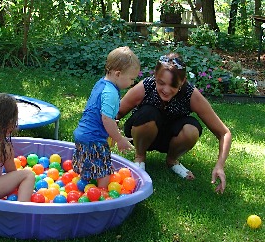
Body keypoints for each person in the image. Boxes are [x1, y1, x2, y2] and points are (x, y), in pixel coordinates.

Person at [116, 52, 231, 194]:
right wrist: (109, 133)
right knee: (148, 113)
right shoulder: (146, 86)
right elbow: (117, 113)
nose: (165, 90)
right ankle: (140, 158)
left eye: (173, 85)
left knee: (191, 128)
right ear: (155, 77)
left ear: (182, 82)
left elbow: (224, 133)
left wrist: (220, 165)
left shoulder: (190, 94)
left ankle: (172, 160)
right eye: (161, 82)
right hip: (141, 132)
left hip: (170, 138)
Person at [72, 46, 141, 188]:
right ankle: (102, 195)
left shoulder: (101, 83)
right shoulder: (111, 93)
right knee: (104, 170)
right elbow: (106, 119)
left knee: (87, 163)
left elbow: (97, 111)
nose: (132, 83)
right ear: (118, 74)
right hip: (94, 138)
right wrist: (119, 139)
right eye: (131, 79)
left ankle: (83, 186)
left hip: (82, 134)